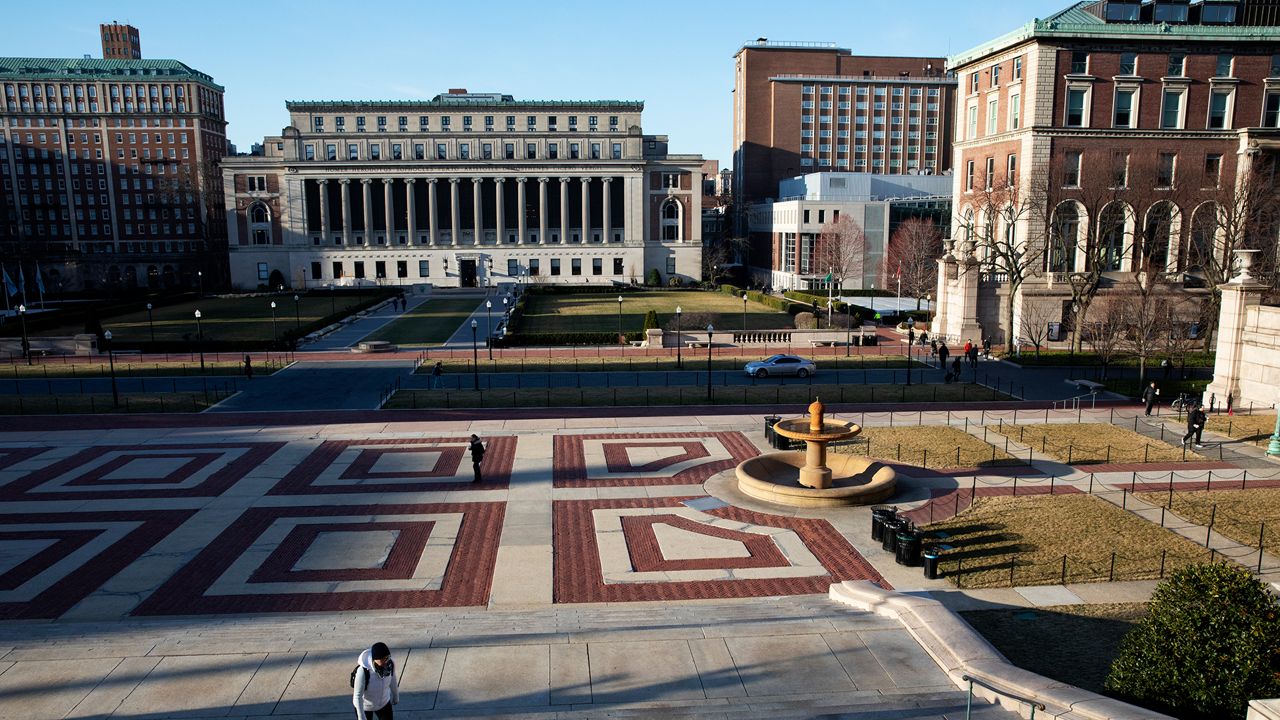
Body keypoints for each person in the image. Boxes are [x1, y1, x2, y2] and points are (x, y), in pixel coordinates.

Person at [353, 642, 398, 720]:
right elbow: (357, 696)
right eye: (382, 659)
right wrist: (361, 717)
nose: (385, 661)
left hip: (384, 704)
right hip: (365, 707)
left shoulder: (390, 664)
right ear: (374, 659)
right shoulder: (363, 671)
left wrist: (396, 695)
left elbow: (393, 680)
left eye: (387, 658)